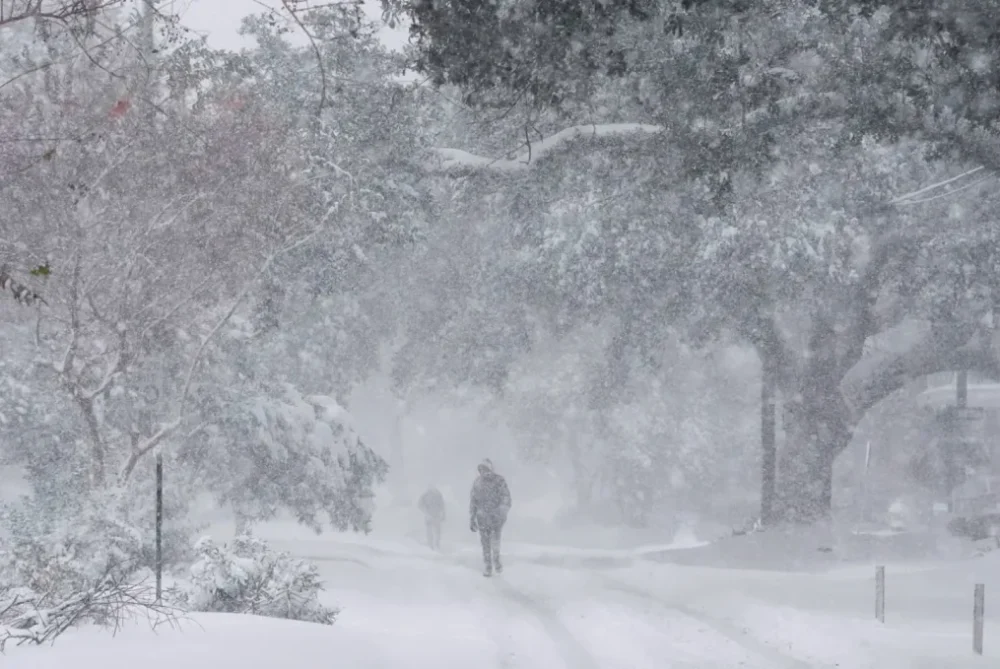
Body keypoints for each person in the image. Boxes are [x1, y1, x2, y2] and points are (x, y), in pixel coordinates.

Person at [469, 458, 511, 577]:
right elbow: (473, 502)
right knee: (485, 543)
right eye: (481, 469)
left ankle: (496, 560)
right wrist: (472, 518)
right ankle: (488, 565)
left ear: (490, 469)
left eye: (485, 469)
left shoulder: (499, 481)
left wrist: (501, 513)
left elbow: (506, 499)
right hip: (482, 518)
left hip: (496, 518)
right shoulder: (477, 483)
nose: (483, 471)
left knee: (495, 541)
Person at [418, 486, 446, 551]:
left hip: (435, 516)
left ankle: (435, 545)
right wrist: (425, 511)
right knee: (432, 531)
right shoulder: (427, 495)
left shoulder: (436, 495)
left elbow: (442, 505)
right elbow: (420, 504)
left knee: (436, 531)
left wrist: (443, 514)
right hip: (431, 515)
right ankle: (432, 545)